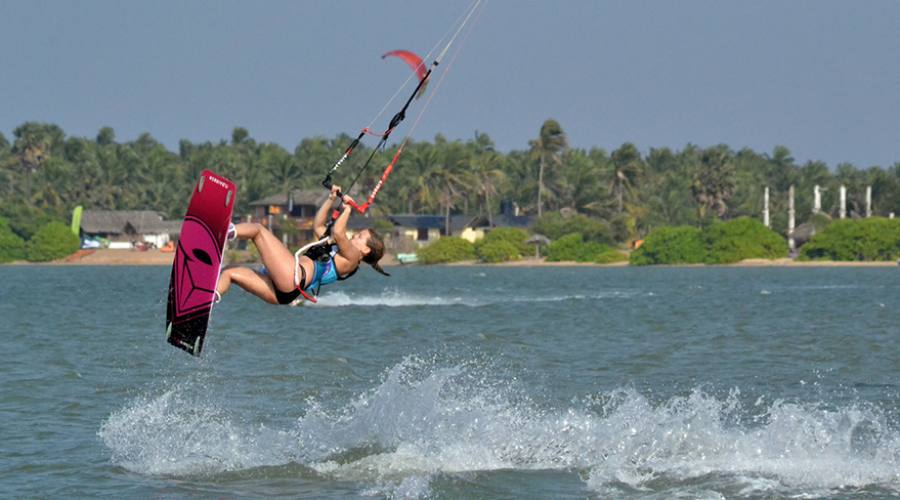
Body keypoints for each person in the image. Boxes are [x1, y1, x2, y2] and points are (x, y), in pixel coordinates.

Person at [215, 185, 387, 305]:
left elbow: (339, 232)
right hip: (283, 293)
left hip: (292, 277)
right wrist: (330, 199)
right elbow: (318, 226)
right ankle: (204, 303)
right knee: (230, 272)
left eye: (359, 236)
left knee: (258, 230)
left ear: (365, 249)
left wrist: (348, 209)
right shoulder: (337, 248)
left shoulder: (353, 257)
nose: (354, 236)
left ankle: (219, 233)